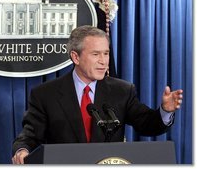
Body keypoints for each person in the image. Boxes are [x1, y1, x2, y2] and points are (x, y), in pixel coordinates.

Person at [12, 25, 183, 164]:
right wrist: (22, 150)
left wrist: (165, 111)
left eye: (106, 53)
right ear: (76, 57)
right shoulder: (45, 94)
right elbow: (30, 135)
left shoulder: (122, 90)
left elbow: (147, 124)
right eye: (96, 54)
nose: (104, 61)